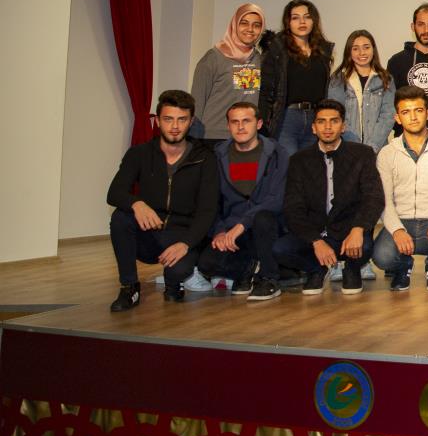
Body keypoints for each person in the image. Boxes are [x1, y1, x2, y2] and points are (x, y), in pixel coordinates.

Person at [107, 90, 220, 310]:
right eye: (168, 119)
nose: (175, 126)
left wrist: (186, 243)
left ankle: (174, 283)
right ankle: (129, 287)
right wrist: (137, 204)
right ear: (158, 121)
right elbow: (114, 192)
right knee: (120, 218)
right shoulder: (139, 154)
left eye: (182, 119)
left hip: (182, 234)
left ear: (191, 122)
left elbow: (208, 210)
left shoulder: (205, 158)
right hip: (150, 232)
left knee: (178, 273)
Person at [274, 99, 384, 296]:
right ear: (313, 128)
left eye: (334, 121)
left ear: (343, 126)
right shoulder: (299, 160)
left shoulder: (362, 154)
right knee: (281, 249)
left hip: (349, 232)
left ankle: (352, 268)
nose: (327, 127)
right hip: (315, 232)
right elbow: (293, 207)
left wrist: (358, 229)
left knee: (366, 246)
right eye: (321, 121)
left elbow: (374, 197)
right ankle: (317, 269)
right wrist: (315, 241)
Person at [372, 86, 428, 292]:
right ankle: (403, 266)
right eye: (406, 112)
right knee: (382, 256)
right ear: (397, 118)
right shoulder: (387, 153)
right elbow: (384, 199)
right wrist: (396, 230)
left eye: (418, 110)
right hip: (401, 221)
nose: (413, 117)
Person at [196, 102, 289, 300]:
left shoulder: (277, 153)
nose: (240, 127)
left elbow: (276, 199)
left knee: (263, 218)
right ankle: (247, 270)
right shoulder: (217, 155)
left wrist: (242, 224)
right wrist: (219, 231)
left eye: (246, 121)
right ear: (228, 126)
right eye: (235, 122)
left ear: (259, 124)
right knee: (206, 264)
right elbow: (211, 200)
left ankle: (269, 278)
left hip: (268, 227)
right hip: (232, 230)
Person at [259, 0, 334, 155]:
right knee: (289, 163)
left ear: (314, 21)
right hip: (287, 118)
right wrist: (264, 123)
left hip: (315, 118)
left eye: (307, 17)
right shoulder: (277, 50)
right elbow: (265, 91)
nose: (302, 22)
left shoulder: (322, 51)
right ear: (288, 22)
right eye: (295, 17)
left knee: (309, 165)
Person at [190, 3, 264, 141]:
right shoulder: (213, 58)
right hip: (213, 137)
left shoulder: (258, 59)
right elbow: (196, 102)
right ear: (234, 24)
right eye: (244, 23)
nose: (250, 29)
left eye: (256, 25)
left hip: (245, 139)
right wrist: (193, 140)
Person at [326, 30, 395, 149]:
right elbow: (335, 115)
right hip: (347, 147)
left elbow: (388, 115)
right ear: (349, 52)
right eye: (355, 49)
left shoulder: (386, 79)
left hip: (378, 148)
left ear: (373, 49)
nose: (362, 53)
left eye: (366, 47)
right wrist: (354, 146)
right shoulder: (338, 79)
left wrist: (371, 147)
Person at [386, 2, 428, 136]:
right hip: (405, 134)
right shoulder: (396, 61)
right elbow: (389, 102)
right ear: (413, 26)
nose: (426, 30)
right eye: (421, 24)